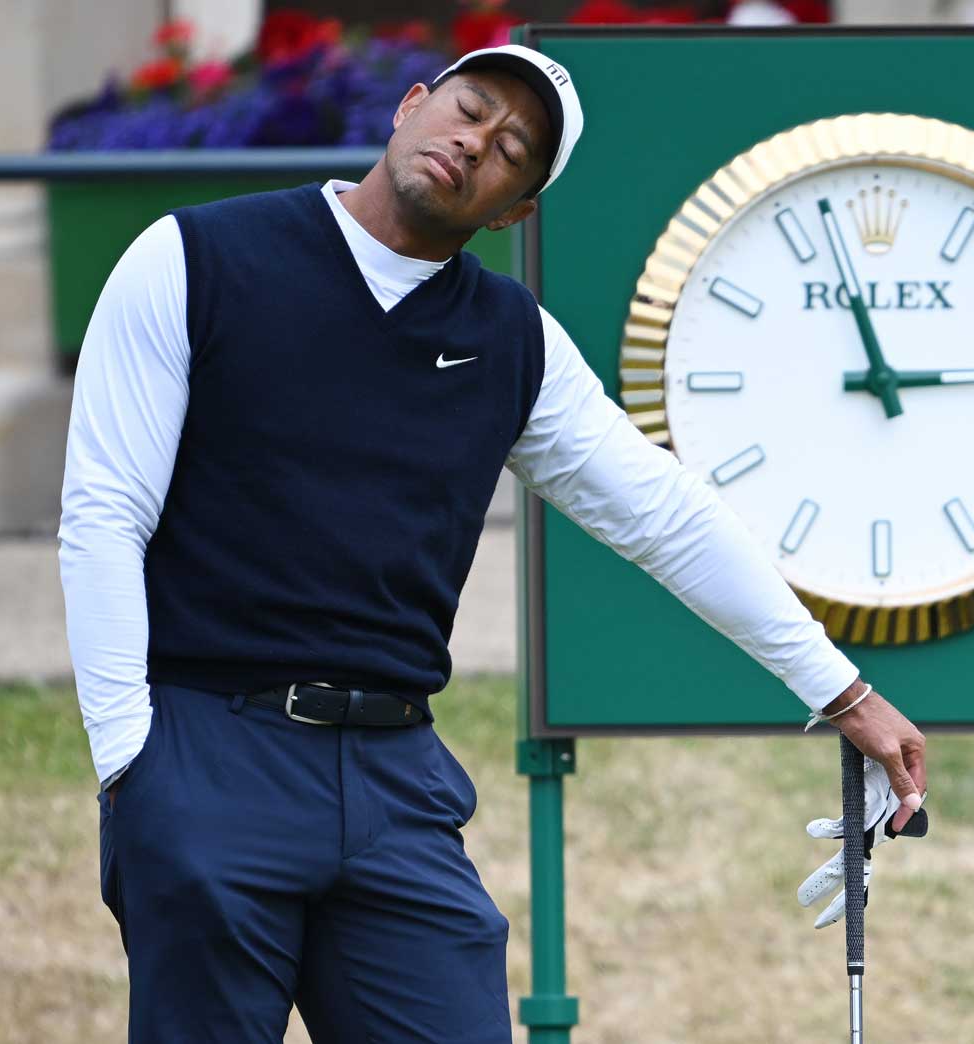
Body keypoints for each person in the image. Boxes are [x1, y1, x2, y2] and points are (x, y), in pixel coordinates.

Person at [57, 43, 928, 1043]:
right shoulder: (194, 258)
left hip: (394, 774)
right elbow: (103, 515)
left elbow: (664, 516)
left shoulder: (510, 339)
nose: (476, 143)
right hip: (210, 750)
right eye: (469, 109)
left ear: (515, 210)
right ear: (411, 106)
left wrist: (844, 693)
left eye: (512, 149)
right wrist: (131, 762)